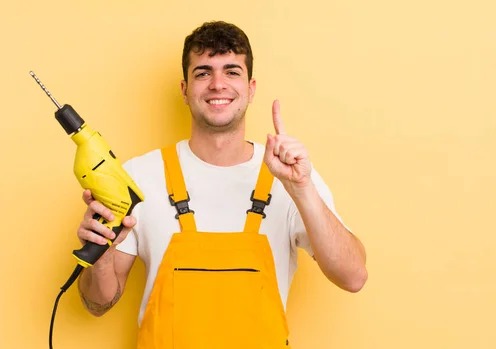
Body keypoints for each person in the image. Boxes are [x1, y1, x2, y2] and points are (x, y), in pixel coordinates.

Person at [76, 20, 367, 348]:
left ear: (251, 88)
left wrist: (302, 190)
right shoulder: (140, 176)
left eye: (231, 71)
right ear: (185, 90)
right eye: (202, 73)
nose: (217, 84)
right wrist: (101, 255)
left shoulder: (290, 175)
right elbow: (98, 303)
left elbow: (353, 277)